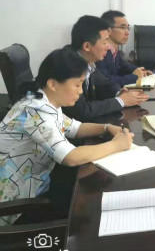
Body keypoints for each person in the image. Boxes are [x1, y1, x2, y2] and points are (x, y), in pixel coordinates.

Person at [0, 47, 134, 226]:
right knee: (91, 213)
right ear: (53, 84)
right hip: (14, 203)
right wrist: (116, 145)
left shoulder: (45, 101)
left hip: (38, 181)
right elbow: (70, 157)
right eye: (77, 85)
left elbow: (74, 127)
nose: (80, 91)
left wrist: (106, 128)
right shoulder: (35, 111)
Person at [62, 15, 148, 122]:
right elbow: (82, 111)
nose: (108, 47)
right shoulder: (67, 65)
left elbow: (104, 83)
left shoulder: (87, 61)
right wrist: (121, 101)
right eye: (105, 42)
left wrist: (119, 93)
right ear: (87, 46)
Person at [96, 10, 152, 87]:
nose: (127, 33)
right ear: (108, 30)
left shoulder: (114, 51)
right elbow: (105, 81)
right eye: (122, 27)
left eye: (128, 28)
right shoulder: (100, 53)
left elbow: (124, 66)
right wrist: (135, 76)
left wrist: (141, 71)